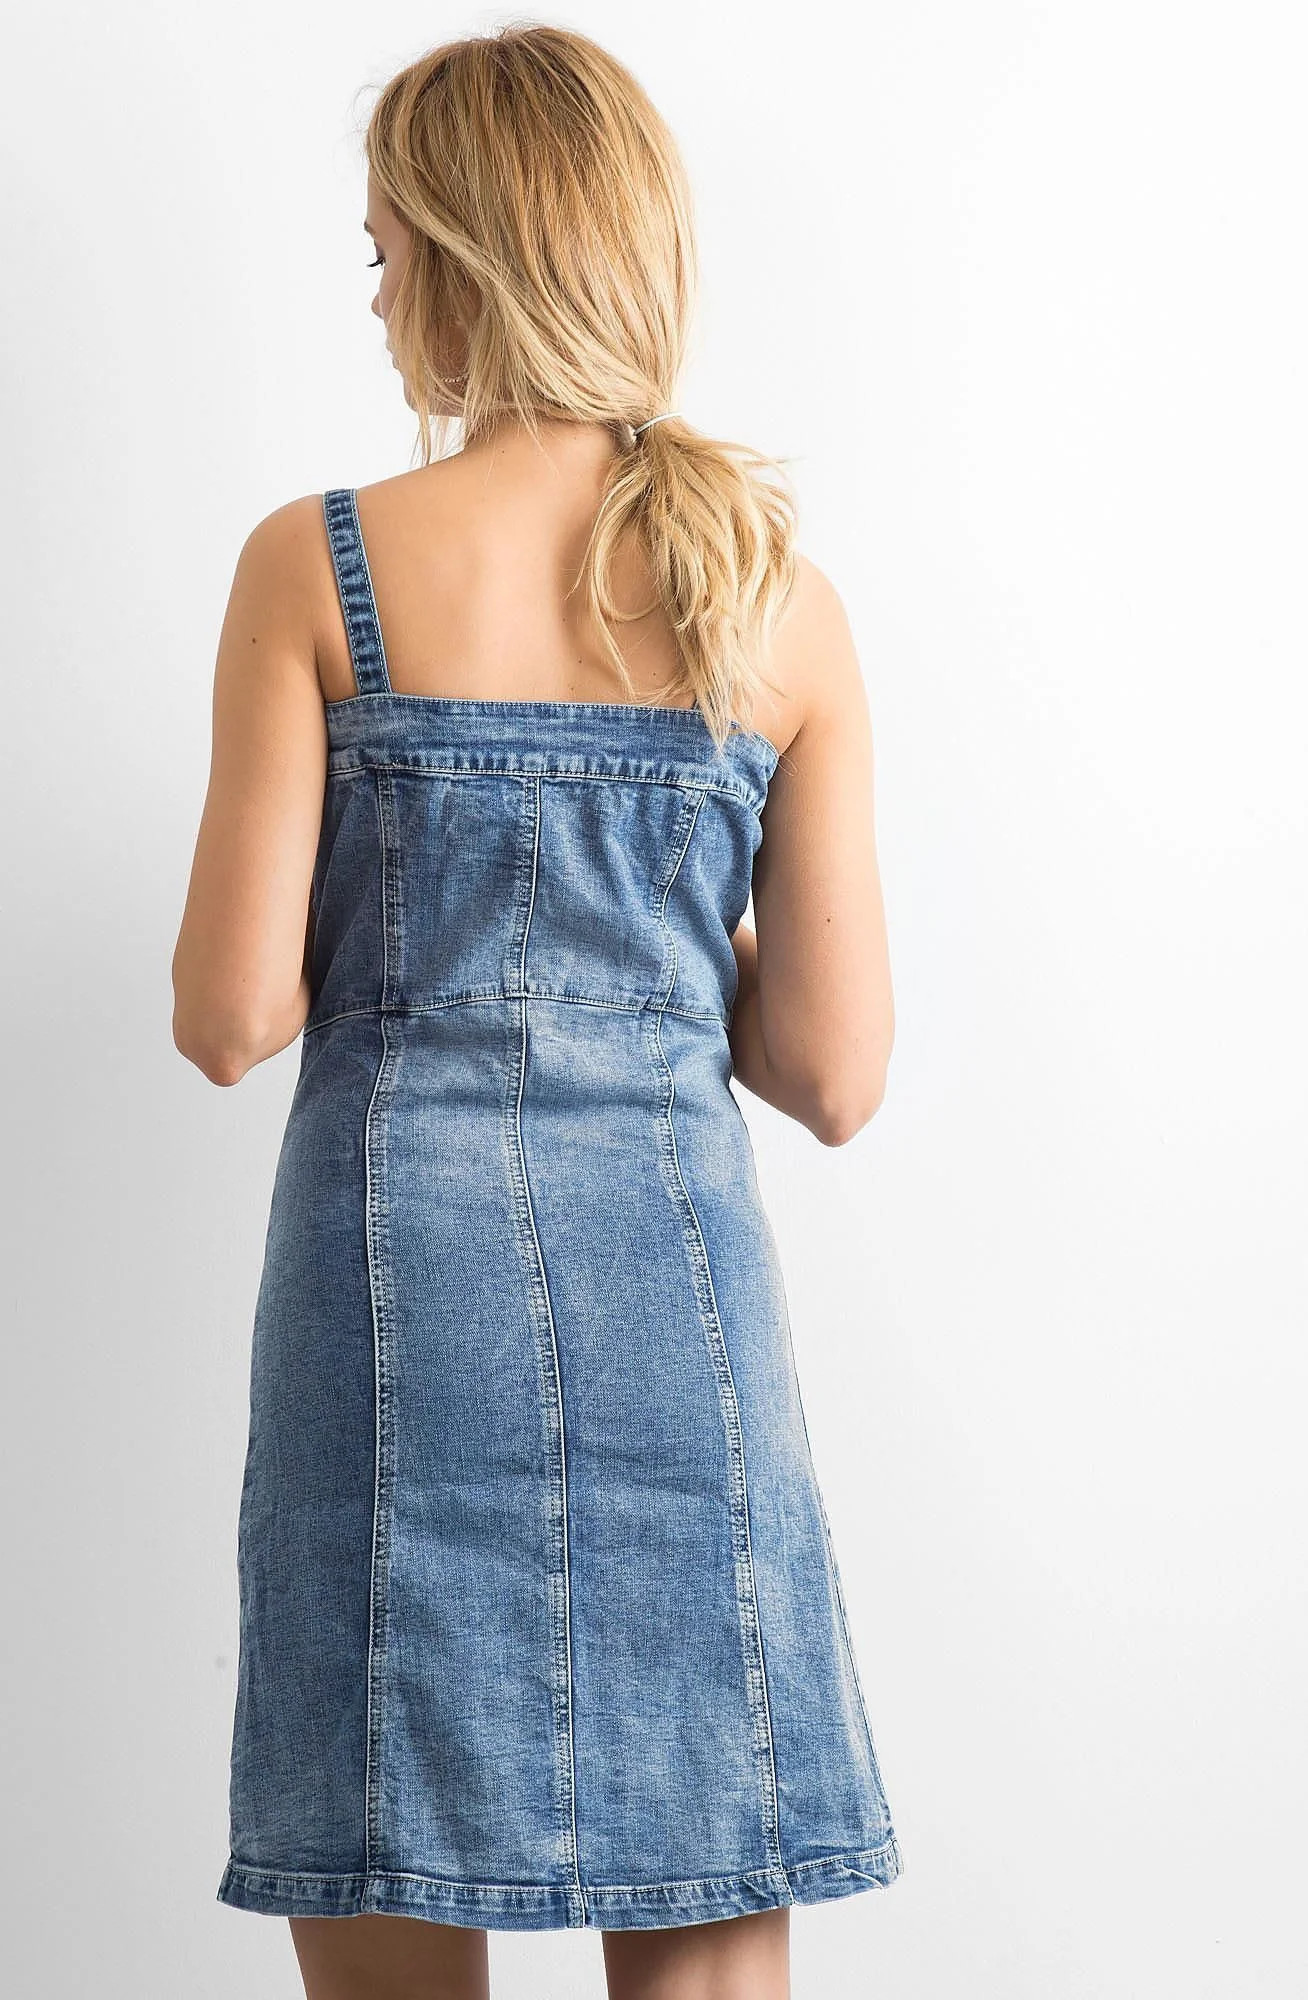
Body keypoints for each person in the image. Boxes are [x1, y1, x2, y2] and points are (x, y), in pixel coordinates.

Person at [172, 23, 900, 2000]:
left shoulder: (316, 566)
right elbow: (831, 1071)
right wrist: (633, 916)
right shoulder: (774, 598)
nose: (377, 294)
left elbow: (230, 1013)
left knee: (390, 1859)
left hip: (394, 1321)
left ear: (469, 256)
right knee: (706, 1903)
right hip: (676, 1319)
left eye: (387, 248)